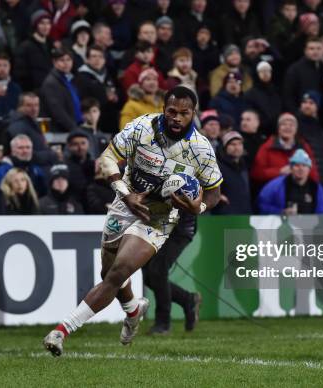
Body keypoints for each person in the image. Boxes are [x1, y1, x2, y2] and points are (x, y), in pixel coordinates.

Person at [43, 86, 222, 356]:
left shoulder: (201, 149)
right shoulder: (140, 128)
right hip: (126, 202)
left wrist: (200, 207)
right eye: (171, 111)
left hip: (159, 218)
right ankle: (133, 310)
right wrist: (125, 196)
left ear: (193, 114)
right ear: (164, 109)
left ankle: (61, 331)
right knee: (109, 274)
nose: (176, 118)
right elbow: (107, 158)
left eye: (184, 113)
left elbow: (215, 191)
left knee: (119, 271)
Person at [250, 112, 319, 190]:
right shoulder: (267, 147)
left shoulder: (304, 147)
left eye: (291, 125)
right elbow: (256, 173)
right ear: (278, 128)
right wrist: (279, 172)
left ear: (296, 129)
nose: (287, 127)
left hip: (299, 192)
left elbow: (314, 174)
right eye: (284, 124)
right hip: (274, 192)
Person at [257, 149, 323, 215]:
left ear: (309, 169)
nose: (301, 169)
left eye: (304, 165)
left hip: (309, 226)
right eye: (297, 165)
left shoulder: (316, 187)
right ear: (291, 168)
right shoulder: (276, 186)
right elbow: (261, 205)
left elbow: (322, 212)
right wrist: (281, 212)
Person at [6, 92, 57, 166]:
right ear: (20, 107)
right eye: (29, 105)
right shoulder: (17, 126)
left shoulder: (36, 122)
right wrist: (52, 155)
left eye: (36, 105)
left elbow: (44, 145)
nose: (34, 109)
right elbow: (25, 154)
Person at [39, 47, 82, 133]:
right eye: (62, 60)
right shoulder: (51, 83)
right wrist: (74, 129)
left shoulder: (69, 79)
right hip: (59, 131)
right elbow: (58, 112)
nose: (66, 63)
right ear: (54, 62)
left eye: (68, 60)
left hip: (73, 127)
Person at [13, 9, 53, 92]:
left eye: (48, 23)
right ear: (35, 25)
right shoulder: (25, 47)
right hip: (34, 92)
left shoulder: (51, 45)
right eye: (42, 23)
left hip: (50, 91)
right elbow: (20, 74)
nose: (46, 27)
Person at [213, 131, 251, 214]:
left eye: (239, 144)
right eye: (233, 144)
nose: (237, 147)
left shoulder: (244, 166)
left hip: (244, 214)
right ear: (225, 147)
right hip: (224, 216)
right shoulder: (217, 167)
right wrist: (217, 196)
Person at [243, 61, 281, 134]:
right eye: (262, 71)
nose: (265, 74)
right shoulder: (250, 94)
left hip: (275, 131)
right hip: (259, 131)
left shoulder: (276, 92)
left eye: (268, 71)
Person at [64, 130, 96, 203]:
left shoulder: (95, 165)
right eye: (75, 144)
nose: (80, 147)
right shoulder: (65, 167)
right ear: (69, 146)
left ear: (88, 144)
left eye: (83, 143)